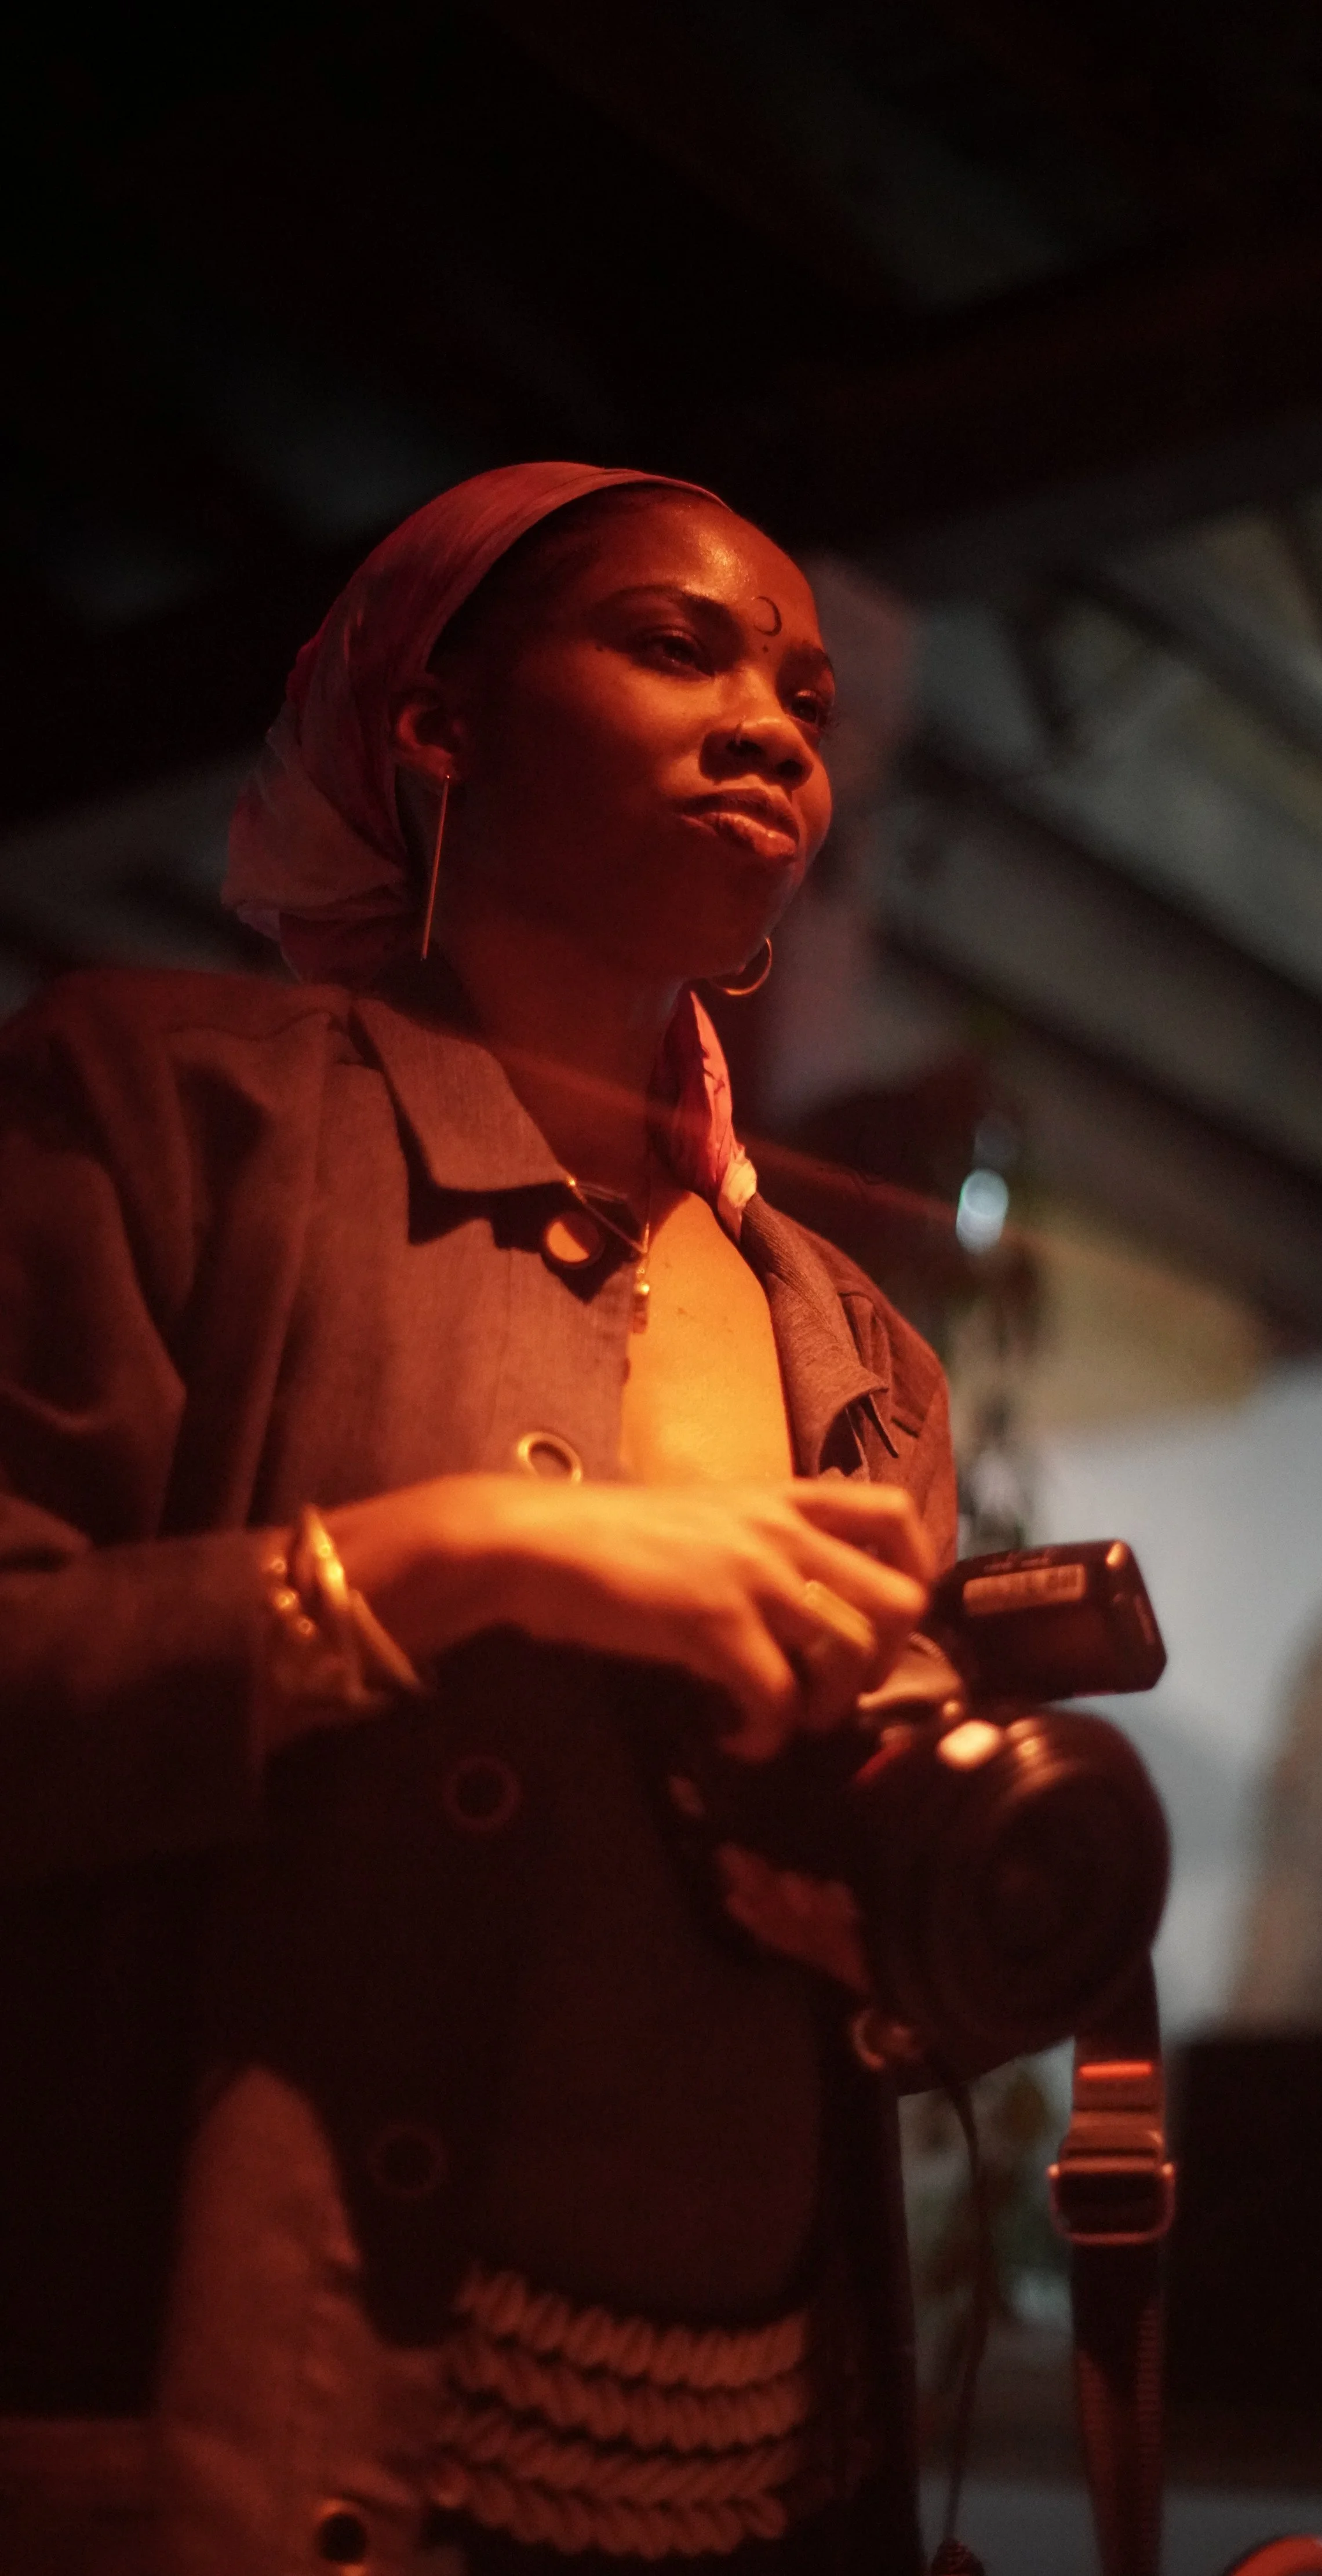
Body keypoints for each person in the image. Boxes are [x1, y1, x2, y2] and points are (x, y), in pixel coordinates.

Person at [0, 462, 958, 2575]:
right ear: (435, 724)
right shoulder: (167, 1112)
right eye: (674, 643)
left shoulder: (857, 1342)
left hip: (764, 2476)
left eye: (806, 692)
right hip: (295, 2463)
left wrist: (905, 1887)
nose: (773, 725)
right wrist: (464, 1556)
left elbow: (845, 1964)